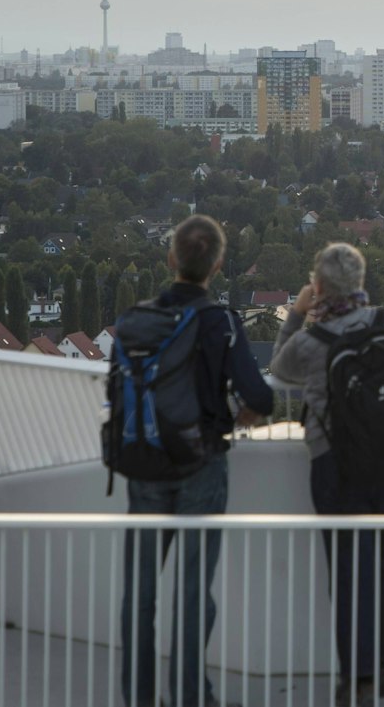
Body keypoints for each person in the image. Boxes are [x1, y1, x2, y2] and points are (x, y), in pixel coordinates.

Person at [271, 242, 384, 705]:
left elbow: (279, 369)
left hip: (337, 467)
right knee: (382, 563)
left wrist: (297, 313)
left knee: (348, 572)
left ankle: (358, 676)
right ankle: (380, 666)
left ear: (318, 286)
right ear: (361, 282)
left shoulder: (311, 341)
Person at [119, 214, 275, 707]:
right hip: (201, 466)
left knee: (139, 594)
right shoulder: (220, 322)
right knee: (191, 592)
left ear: (171, 259)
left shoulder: (137, 319)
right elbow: (260, 396)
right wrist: (241, 413)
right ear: (218, 264)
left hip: (143, 464)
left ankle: (138, 696)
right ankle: (189, 695)